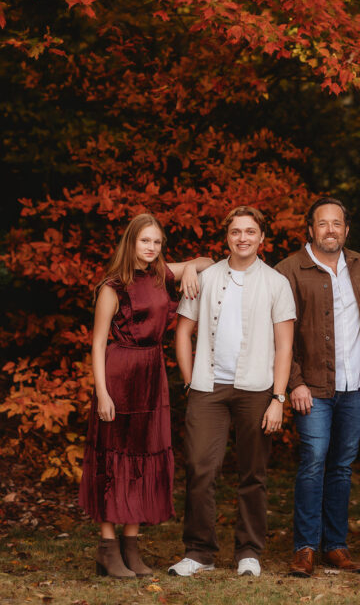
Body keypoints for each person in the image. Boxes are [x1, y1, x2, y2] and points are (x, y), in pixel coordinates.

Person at [79, 213, 212, 579]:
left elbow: (208, 262)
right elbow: (96, 342)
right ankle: (107, 549)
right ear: (131, 242)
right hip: (119, 372)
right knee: (114, 460)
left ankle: (131, 548)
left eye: (157, 242)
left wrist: (187, 271)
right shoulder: (113, 286)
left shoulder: (160, 274)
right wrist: (102, 392)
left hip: (152, 374)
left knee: (142, 458)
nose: (151, 248)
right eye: (145, 241)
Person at [169, 205, 295, 579]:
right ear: (227, 237)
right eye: (236, 231)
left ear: (261, 238)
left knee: (253, 473)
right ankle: (199, 551)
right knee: (199, 468)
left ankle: (249, 551)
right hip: (208, 387)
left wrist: (278, 397)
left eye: (250, 231)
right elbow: (182, 332)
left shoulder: (276, 283)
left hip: (257, 389)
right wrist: (191, 380)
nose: (243, 238)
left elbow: (285, 346)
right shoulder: (205, 277)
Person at [276, 196, 360, 577]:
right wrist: (295, 382)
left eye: (337, 223)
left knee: (342, 467)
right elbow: (281, 333)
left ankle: (335, 545)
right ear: (310, 229)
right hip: (312, 388)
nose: (330, 230)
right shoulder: (288, 270)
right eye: (323, 223)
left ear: (346, 229)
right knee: (314, 462)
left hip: (355, 386)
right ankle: (305, 547)